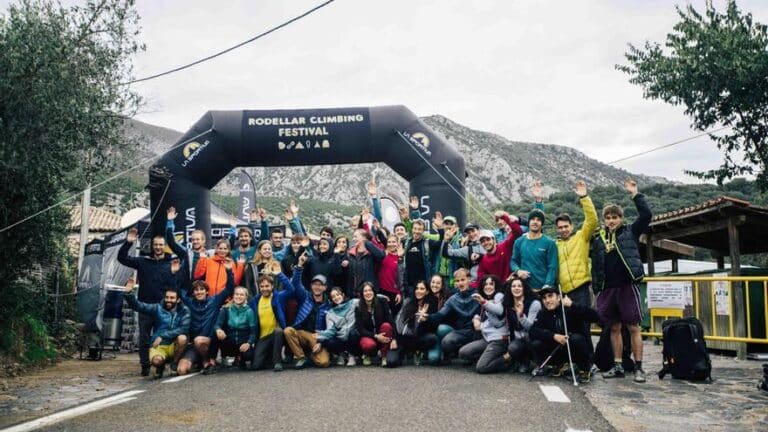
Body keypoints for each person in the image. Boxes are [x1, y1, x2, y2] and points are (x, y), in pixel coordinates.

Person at [592, 179, 652, 383]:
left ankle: (638, 367)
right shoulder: (599, 238)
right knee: (614, 328)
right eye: (608, 217)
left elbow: (646, 216)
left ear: (621, 218)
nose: (611, 221)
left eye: (615, 217)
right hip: (608, 288)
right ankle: (617, 365)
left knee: (633, 327)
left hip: (627, 286)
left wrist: (635, 194)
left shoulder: (630, 232)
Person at [117, 227, 179, 376]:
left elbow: (174, 285)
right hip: (145, 306)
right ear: (152, 246)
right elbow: (122, 258)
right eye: (155, 244)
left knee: (163, 337)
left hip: (162, 308)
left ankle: (160, 363)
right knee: (144, 338)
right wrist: (128, 243)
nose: (158, 247)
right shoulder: (143, 261)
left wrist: (175, 273)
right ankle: (145, 365)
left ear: (164, 246)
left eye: (160, 245)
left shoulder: (170, 263)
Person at [176, 259, 235, 375]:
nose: (199, 292)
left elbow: (229, 289)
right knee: (181, 370)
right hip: (194, 345)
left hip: (209, 342)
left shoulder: (215, 301)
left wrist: (228, 271)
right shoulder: (189, 302)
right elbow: (177, 290)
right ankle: (197, 363)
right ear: (193, 293)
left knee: (199, 340)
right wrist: (176, 273)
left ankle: (207, 361)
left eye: (202, 289)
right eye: (196, 290)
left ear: (207, 291)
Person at [529, 286, 600, 383]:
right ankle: (558, 365)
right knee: (537, 343)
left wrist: (572, 304)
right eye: (544, 298)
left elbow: (595, 317)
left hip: (577, 347)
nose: (547, 300)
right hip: (559, 349)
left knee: (576, 339)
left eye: (550, 296)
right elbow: (533, 331)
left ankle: (585, 369)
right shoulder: (543, 313)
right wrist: (554, 336)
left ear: (558, 297)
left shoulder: (570, 308)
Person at [123, 277, 190, 379]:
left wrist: (163, 336)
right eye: (167, 297)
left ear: (178, 299)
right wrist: (129, 294)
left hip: (174, 345)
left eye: (172, 298)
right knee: (156, 361)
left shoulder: (185, 311)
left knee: (182, 338)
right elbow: (139, 306)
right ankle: (160, 366)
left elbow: (184, 329)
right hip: (159, 346)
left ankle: (174, 364)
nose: (168, 300)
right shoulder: (157, 308)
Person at [283, 255, 334, 369]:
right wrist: (300, 265)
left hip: (318, 336)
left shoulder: (329, 305)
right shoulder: (305, 296)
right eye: (315, 284)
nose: (317, 287)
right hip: (302, 333)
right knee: (288, 331)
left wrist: (321, 342)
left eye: (320, 285)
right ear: (311, 286)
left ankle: (310, 355)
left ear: (325, 288)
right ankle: (301, 357)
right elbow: (296, 283)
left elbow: (331, 329)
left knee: (324, 363)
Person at [248, 261, 297, 371]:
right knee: (256, 366)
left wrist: (279, 274)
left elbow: (291, 289)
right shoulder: (255, 301)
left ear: (272, 286)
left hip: (277, 335)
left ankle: (277, 362)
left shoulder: (278, 297)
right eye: (262, 286)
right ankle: (269, 357)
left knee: (278, 331)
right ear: (259, 288)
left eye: (267, 286)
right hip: (263, 337)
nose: (265, 288)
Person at [423, 268, 480, 362]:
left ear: (469, 279)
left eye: (463, 280)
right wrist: (427, 317)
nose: (460, 283)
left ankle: (473, 353)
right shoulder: (453, 299)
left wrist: (477, 318)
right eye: (457, 281)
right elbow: (440, 314)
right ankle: (462, 351)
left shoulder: (478, 294)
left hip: (477, 331)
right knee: (446, 342)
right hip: (462, 331)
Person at [458, 275, 509, 374]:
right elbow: (478, 313)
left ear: (496, 286)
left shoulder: (499, 296)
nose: (488, 286)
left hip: (499, 339)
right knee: (463, 353)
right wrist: (476, 318)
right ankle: (488, 356)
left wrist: (484, 302)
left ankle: (507, 358)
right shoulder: (485, 298)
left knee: (481, 367)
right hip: (487, 338)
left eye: (491, 284)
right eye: (485, 284)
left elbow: (499, 310)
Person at [511, 208, 558, 292]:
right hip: (525, 290)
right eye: (532, 219)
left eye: (539, 220)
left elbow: (553, 267)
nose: (535, 222)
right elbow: (513, 261)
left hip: (543, 290)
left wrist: (547, 285)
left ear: (542, 224)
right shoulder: (519, 241)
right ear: (529, 222)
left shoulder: (550, 243)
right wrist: (518, 271)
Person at [395, 280, 438, 366]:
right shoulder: (408, 302)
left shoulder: (430, 304)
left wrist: (424, 320)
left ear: (427, 292)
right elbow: (398, 322)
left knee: (432, 338)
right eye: (417, 288)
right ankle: (408, 351)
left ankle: (417, 351)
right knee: (393, 361)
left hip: (420, 336)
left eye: (422, 289)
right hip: (404, 336)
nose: (418, 291)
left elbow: (433, 326)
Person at [503, 276, 541, 373]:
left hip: (535, 337)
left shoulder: (534, 303)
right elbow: (510, 328)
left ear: (524, 288)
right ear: (510, 289)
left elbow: (530, 327)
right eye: (513, 286)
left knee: (527, 336)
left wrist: (520, 315)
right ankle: (524, 362)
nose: (516, 288)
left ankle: (540, 364)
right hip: (519, 338)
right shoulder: (508, 304)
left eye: (519, 286)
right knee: (512, 347)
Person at [474, 212, 523, 285]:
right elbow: (480, 279)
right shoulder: (484, 260)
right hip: (497, 291)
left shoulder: (505, 246)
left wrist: (504, 217)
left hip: (512, 285)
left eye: (488, 239)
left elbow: (518, 232)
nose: (486, 243)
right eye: (483, 241)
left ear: (494, 240)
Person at [214, 286, 257, 370]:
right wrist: (218, 329)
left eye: (242, 295)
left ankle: (241, 359)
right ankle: (222, 357)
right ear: (233, 296)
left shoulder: (249, 311)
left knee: (248, 355)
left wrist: (249, 343)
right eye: (237, 294)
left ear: (245, 297)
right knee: (215, 333)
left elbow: (253, 332)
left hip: (243, 342)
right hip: (229, 342)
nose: (239, 296)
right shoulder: (226, 309)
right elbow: (217, 324)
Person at [316, 287, 359, 366]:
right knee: (330, 342)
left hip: (352, 337)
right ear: (331, 299)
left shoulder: (353, 303)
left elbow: (366, 299)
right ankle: (341, 354)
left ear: (343, 295)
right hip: (340, 339)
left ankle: (351, 355)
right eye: (333, 296)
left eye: (338, 295)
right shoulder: (330, 313)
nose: (336, 297)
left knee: (354, 334)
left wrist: (381, 297)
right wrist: (319, 336)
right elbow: (330, 331)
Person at [355, 282, 395, 366]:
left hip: (382, 333)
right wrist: (376, 336)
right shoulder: (358, 308)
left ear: (374, 292)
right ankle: (367, 355)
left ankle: (384, 356)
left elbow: (391, 320)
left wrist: (394, 338)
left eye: (370, 290)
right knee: (368, 345)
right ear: (362, 294)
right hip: (369, 336)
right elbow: (361, 329)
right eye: (365, 291)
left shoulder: (382, 302)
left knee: (387, 326)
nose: (368, 293)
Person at [344, 229, 385, 297]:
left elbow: (381, 255)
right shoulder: (350, 253)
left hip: (369, 292)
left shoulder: (372, 253)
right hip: (354, 292)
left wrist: (366, 242)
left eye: (356, 236)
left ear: (363, 238)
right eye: (353, 237)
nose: (354, 239)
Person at [426, 274, 454, 364]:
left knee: (441, 329)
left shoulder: (448, 297)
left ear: (442, 285)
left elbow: (447, 317)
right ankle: (435, 349)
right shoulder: (426, 296)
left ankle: (447, 352)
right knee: (433, 359)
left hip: (446, 328)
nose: (435, 285)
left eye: (438, 283)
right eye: (433, 282)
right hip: (432, 331)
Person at [378, 234, 405, 315]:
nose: (391, 244)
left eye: (393, 242)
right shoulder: (383, 254)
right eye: (389, 242)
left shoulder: (401, 257)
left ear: (398, 243)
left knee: (393, 317)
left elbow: (402, 276)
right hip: (381, 290)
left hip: (394, 293)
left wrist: (399, 292)